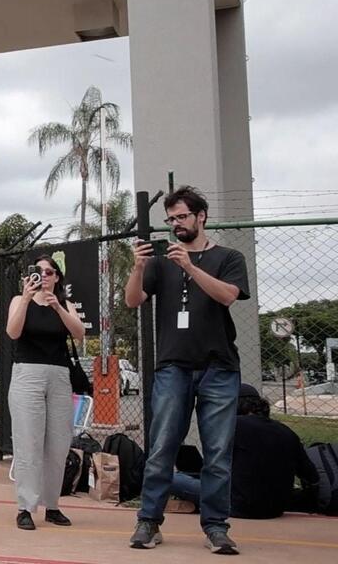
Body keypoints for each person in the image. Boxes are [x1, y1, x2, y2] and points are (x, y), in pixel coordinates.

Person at [125, 185, 251, 554]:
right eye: (171, 219)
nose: (176, 225)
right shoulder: (161, 262)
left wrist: (190, 267)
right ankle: (148, 521)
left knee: (217, 452)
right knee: (162, 446)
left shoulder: (228, 256)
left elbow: (228, 295)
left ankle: (216, 527)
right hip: (172, 367)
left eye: (182, 217)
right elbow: (134, 300)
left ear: (201, 217)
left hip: (219, 368)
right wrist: (138, 268)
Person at [5, 255, 85, 530]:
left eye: (49, 272)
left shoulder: (65, 304)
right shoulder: (19, 300)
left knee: (58, 443)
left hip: (59, 375)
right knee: (28, 441)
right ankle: (25, 507)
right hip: (28, 373)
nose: (44, 277)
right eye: (38, 272)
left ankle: (52, 505)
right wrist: (27, 299)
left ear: (57, 277)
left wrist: (58, 307)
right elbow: (12, 332)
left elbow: (79, 333)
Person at [168, 384, 320, 519]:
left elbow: (215, 470)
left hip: (238, 505)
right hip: (276, 508)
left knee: (169, 477)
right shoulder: (287, 432)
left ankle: (184, 502)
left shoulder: (231, 427)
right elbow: (311, 475)